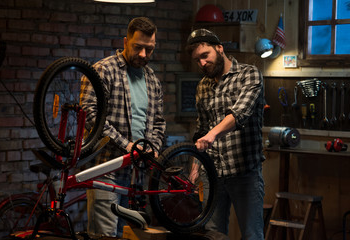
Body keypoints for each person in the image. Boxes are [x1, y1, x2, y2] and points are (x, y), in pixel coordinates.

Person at [80, 17, 166, 238]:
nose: (144, 55)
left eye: (149, 49)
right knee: (106, 236)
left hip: (135, 174)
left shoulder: (152, 79)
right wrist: (127, 145)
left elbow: (158, 121)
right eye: (138, 48)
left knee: (122, 235)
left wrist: (153, 147)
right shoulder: (103, 70)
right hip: (105, 169)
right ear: (126, 42)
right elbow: (90, 114)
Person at [186, 29, 265, 240]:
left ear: (219, 49)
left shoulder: (249, 74)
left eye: (205, 56)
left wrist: (212, 135)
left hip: (244, 173)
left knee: (252, 236)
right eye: (197, 60)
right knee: (212, 236)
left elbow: (240, 113)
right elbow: (201, 128)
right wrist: (195, 167)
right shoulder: (202, 85)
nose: (202, 63)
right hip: (212, 174)